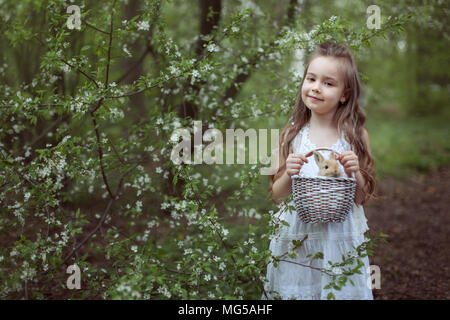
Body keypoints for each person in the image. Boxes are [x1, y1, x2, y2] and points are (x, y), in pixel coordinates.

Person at [263, 41, 377, 300]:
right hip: (297, 237)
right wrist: (288, 174)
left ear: (344, 94)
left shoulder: (357, 137)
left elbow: (362, 198)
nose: (315, 87)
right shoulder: (290, 135)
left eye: (328, 83)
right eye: (311, 78)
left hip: (340, 237)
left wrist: (356, 172)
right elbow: (278, 197)